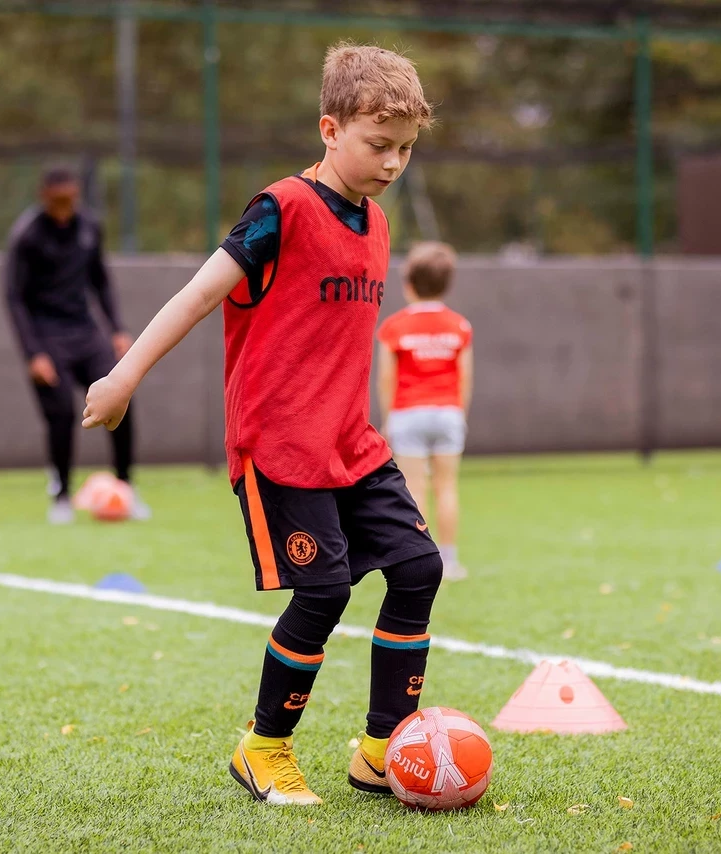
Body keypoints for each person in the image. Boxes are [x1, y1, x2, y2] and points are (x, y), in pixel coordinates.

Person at [82, 43, 438, 806]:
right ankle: (263, 748)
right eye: (379, 146)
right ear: (329, 128)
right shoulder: (281, 210)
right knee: (326, 592)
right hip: (282, 446)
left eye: (405, 149)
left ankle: (383, 750)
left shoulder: (375, 224)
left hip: (354, 443)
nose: (392, 163)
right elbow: (195, 297)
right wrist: (124, 377)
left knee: (418, 568)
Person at [3, 166, 150, 524]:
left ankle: (124, 488)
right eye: (58, 200)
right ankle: (62, 495)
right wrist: (32, 353)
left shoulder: (88, 227)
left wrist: (116, 328)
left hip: (85, 332)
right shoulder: (28, 235)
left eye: (71, 199)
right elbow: (14, 297)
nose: (65, 207)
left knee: (120, 398)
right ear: (45, 196)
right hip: (46, 335)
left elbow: (100, 281)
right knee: (62, 414)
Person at [376, 242, 473, 580]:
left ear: (408, 284)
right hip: (448, 413)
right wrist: (459, 414)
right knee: (447, 486)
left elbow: (387, 377)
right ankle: (448, 560)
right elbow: (465, 377)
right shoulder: (459, 326)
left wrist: (389, 417)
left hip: (408, 413)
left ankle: (418, 562)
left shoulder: (393, 327)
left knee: (414, 489)